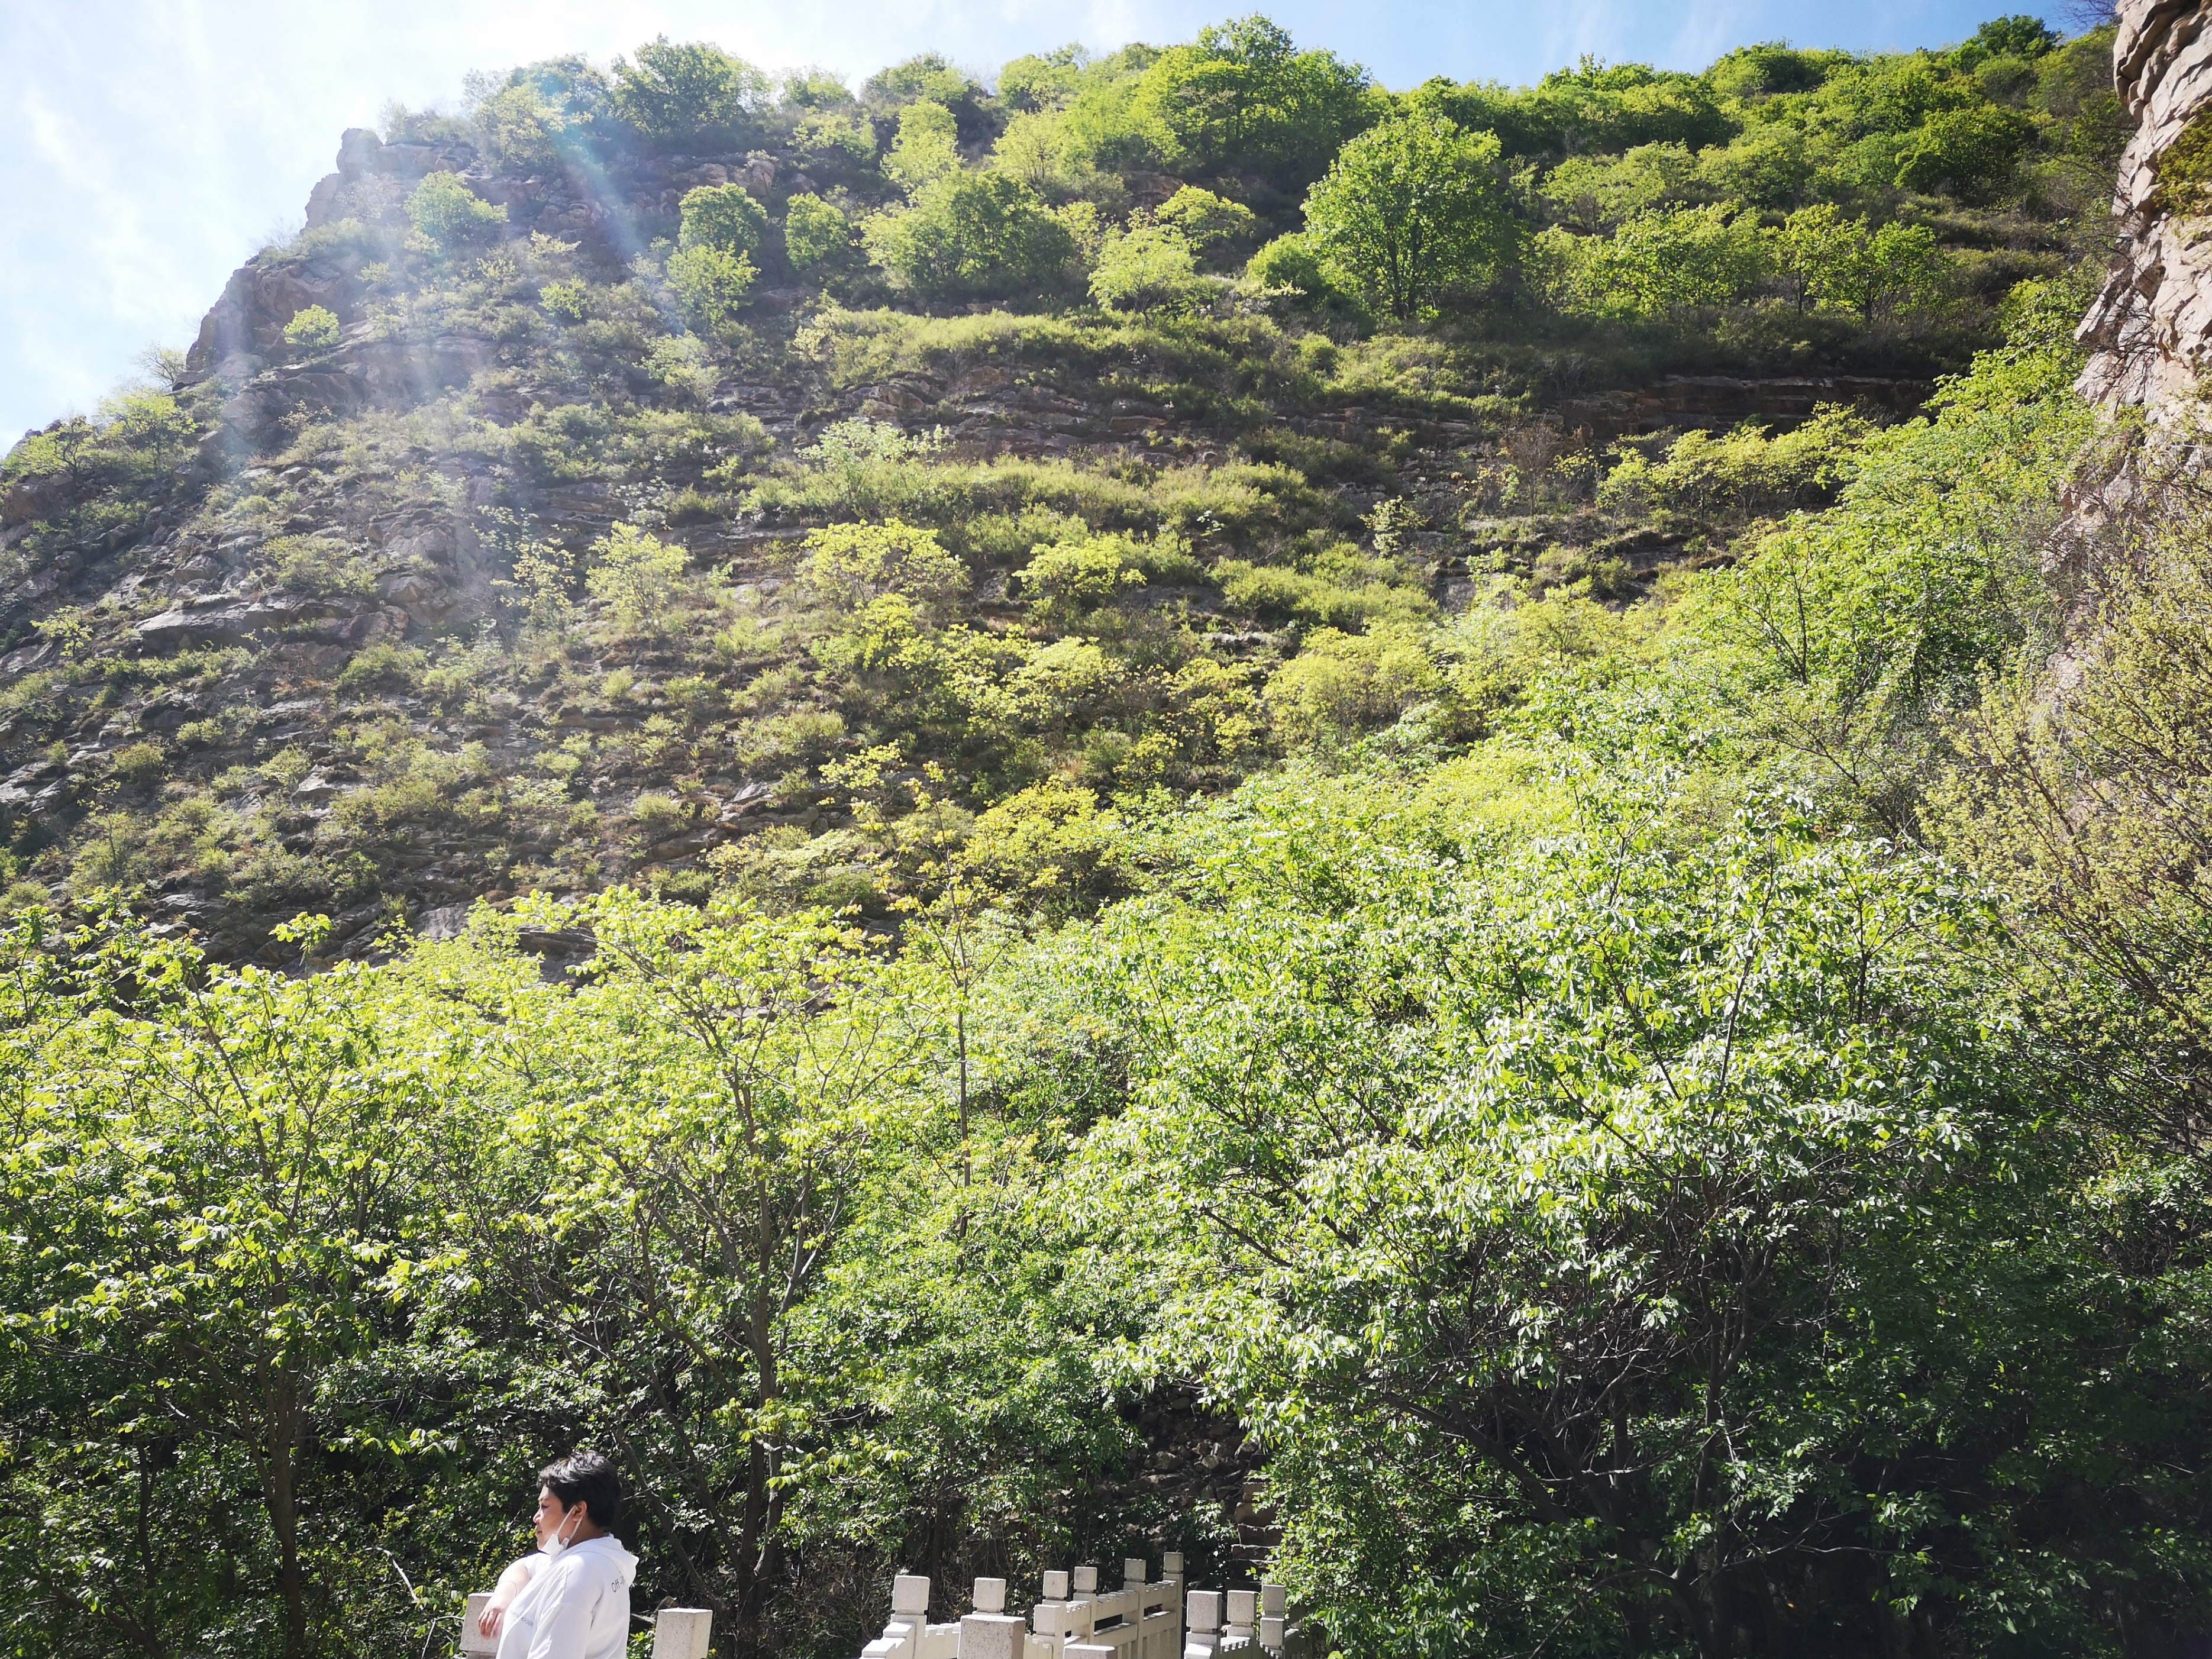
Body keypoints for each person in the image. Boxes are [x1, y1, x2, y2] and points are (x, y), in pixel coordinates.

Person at [480, 1453, 638, 1659]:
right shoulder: (600, 1559)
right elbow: (524, 1567)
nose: (536, 1517)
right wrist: (503, 1597)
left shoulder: (576, 1571)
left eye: (545, 1507)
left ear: (577, 1511)